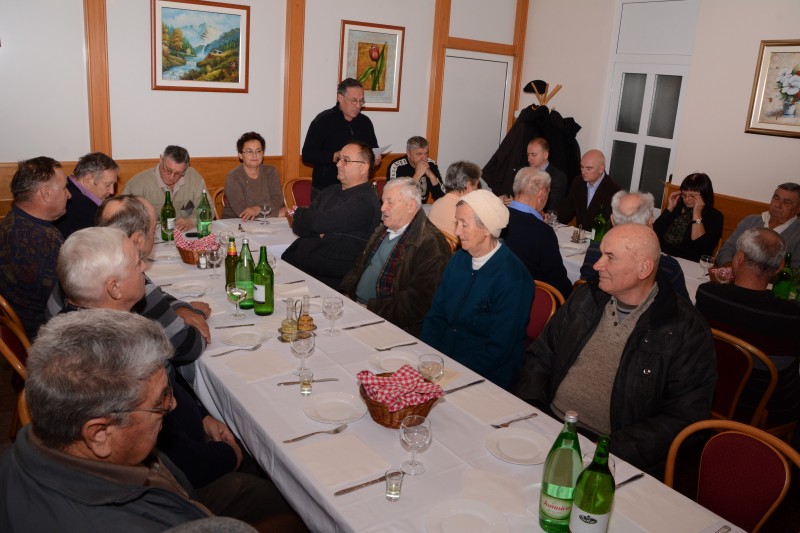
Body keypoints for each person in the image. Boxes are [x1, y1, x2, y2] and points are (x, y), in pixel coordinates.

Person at [53, 228, 295, 527]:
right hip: (179, 496)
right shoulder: (113, 362)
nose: (144, 267)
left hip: (184, 450)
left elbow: (169, 396)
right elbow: (175, 459)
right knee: (284, 491)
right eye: (137, 264)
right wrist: (228, 455)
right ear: (114, 288)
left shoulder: (86, 325)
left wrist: (203, 417)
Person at [513, 224, 716, 474]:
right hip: (549, 423)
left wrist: (607, 450)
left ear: (644, 269)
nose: (598, 265)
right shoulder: (586, 297)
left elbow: (682, 417)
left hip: (614, 454)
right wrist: (534, 408)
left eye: (610, 257)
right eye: (601, 254)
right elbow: (540, 355)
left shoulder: (685, 329)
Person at [0, 309, 212, 530]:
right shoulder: (121, 523)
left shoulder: (30, 447)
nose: (172, 404)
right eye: (160, 401)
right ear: (99, 434)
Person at [46, 195, 210, 361]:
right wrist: (196, 313)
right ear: (138, 239)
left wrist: (180, 308)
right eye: (154, 230)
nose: (143, 267)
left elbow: (154, 295)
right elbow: (189, 346)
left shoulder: (80, 267)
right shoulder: (123, 283)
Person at [422, 190, 534, 389]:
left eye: (463, 224)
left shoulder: (514, 279)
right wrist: (429, 355)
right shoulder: (458, 260)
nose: (457, 231)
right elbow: (436, 315)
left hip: (486, 376)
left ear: (487, 230)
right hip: (443, 362)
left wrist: (453, 372)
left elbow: (498, 348)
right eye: (456, 222)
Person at [696, 227, 800, 426]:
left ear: (740, 257)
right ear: (779, 267)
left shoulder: (708, 294)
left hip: (708, 393)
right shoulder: (791, 316)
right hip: (759, 410)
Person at [340, 178, 451, 336]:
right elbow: (358, 266)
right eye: (383, 201)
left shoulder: (431, 243)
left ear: (411, 206)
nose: (382, 208)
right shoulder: (383, 229)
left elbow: (418, 302)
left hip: (389, 324)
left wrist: (368, 309)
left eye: (390, 203)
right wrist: (346, 293)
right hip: (357, 309)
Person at [283, 141, 382, 288]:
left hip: (329, 279)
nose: (338, 164)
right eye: (339, 159)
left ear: (363, 167)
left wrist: (299, 212)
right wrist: (319, 230)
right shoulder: (330, 191)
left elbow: (317, 222)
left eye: (345, 160)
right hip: (301, 264)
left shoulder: (365, 201)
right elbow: (298, 227)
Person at [0, 156, 70, 339]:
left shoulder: (13, 220)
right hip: (46, 335)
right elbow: (68, 303)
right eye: (64, 188)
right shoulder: (39, 242)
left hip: (28, 325)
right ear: (45, 193)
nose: (69, 195)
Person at [580, 190, 689, 300]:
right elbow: (683, 307)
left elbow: (585, 290)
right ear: (651, 222)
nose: (597, 265)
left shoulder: (595, 250)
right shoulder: (668, 266)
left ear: (612, 220)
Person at [302, 78, 379, 198]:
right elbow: (307, 154)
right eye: (354, 101)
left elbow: (373, 148)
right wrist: (333, 156)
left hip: (358, 189)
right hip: (326, 190)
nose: (358, 106)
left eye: (361, 101)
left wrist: (375, 158)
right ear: (340, 98)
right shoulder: (323, 120)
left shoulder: (365, 122)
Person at [501, 166, 571, 298]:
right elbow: (558, 283)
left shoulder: (498, 218)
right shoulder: (543, 232)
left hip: (501, 290)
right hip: (531, 297)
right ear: (541, 193)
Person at [123, 145, 209, 232]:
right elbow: (124, 217)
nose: (171, 177)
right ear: (161, 159)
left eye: (178, 173)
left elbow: (209, 209)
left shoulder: (194, 177)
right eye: (168, 170)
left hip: (185, 233)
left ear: (186, 168)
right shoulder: (138, 182)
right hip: (152, 234)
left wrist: (192, 220)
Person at [716, 183, 800, 269]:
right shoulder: (750, 221)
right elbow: (727, 250)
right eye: (776, 198)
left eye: (787, 202)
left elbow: (794, 270)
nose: (778, 205)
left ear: (798, 209)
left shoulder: (797, 234)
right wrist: (730, 269)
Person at [653, 172, 724, 262]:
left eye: (692, 196)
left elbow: (700, 248)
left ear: (704, 195)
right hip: (662, 255)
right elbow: (654, 233)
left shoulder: (715, 217)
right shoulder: (678, 207)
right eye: (684, 195)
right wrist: (669, 208)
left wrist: (697, 214)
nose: (686, 199)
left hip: (690, 262)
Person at [53, 151, 119, 238]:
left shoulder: (68, 186)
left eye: (114, 185)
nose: (112, 191)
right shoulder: (82, 207)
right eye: (108, 185)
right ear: (88, 179)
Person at [222, 131, 286, 220]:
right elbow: (243, 212)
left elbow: (278, 201)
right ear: (240, 155)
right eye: (249, 151)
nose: (255, 155)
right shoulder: (234, 177)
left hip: (266, 223)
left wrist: (259, 209)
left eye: (258, 151)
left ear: (263, 154)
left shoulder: (271, 172)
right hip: (236, 223)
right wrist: (276, 214)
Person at [557, 149, 621, 228]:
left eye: (588, 168)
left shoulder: (614, 191)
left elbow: (613, 225)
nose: (583, 172)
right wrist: (552, 218)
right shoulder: (578, 182)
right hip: (579, 233)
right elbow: (566, 210)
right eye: (582, 167)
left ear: (601, 169)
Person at [427, 161, 481, 237]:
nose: (477, 189)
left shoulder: (437, 203)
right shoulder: (464, 211)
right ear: (468, 185)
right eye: (476, 185)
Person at [386, 136, 446, 203]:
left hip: (422, 206)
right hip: (402, 206)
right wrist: (417, 175)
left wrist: (431, 176)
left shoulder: (431, 164)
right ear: (409, 153)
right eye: (419, 154)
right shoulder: (397, 166)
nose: (424, 158)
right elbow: (394, 198)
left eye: (426, 153)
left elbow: (441, 197)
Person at [526, 138, 567, 213]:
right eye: (528, 155)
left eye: (533, 155)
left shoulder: (558, 177)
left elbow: (552, 205)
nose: (529, 159)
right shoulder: (525, 172)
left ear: (545, 155)